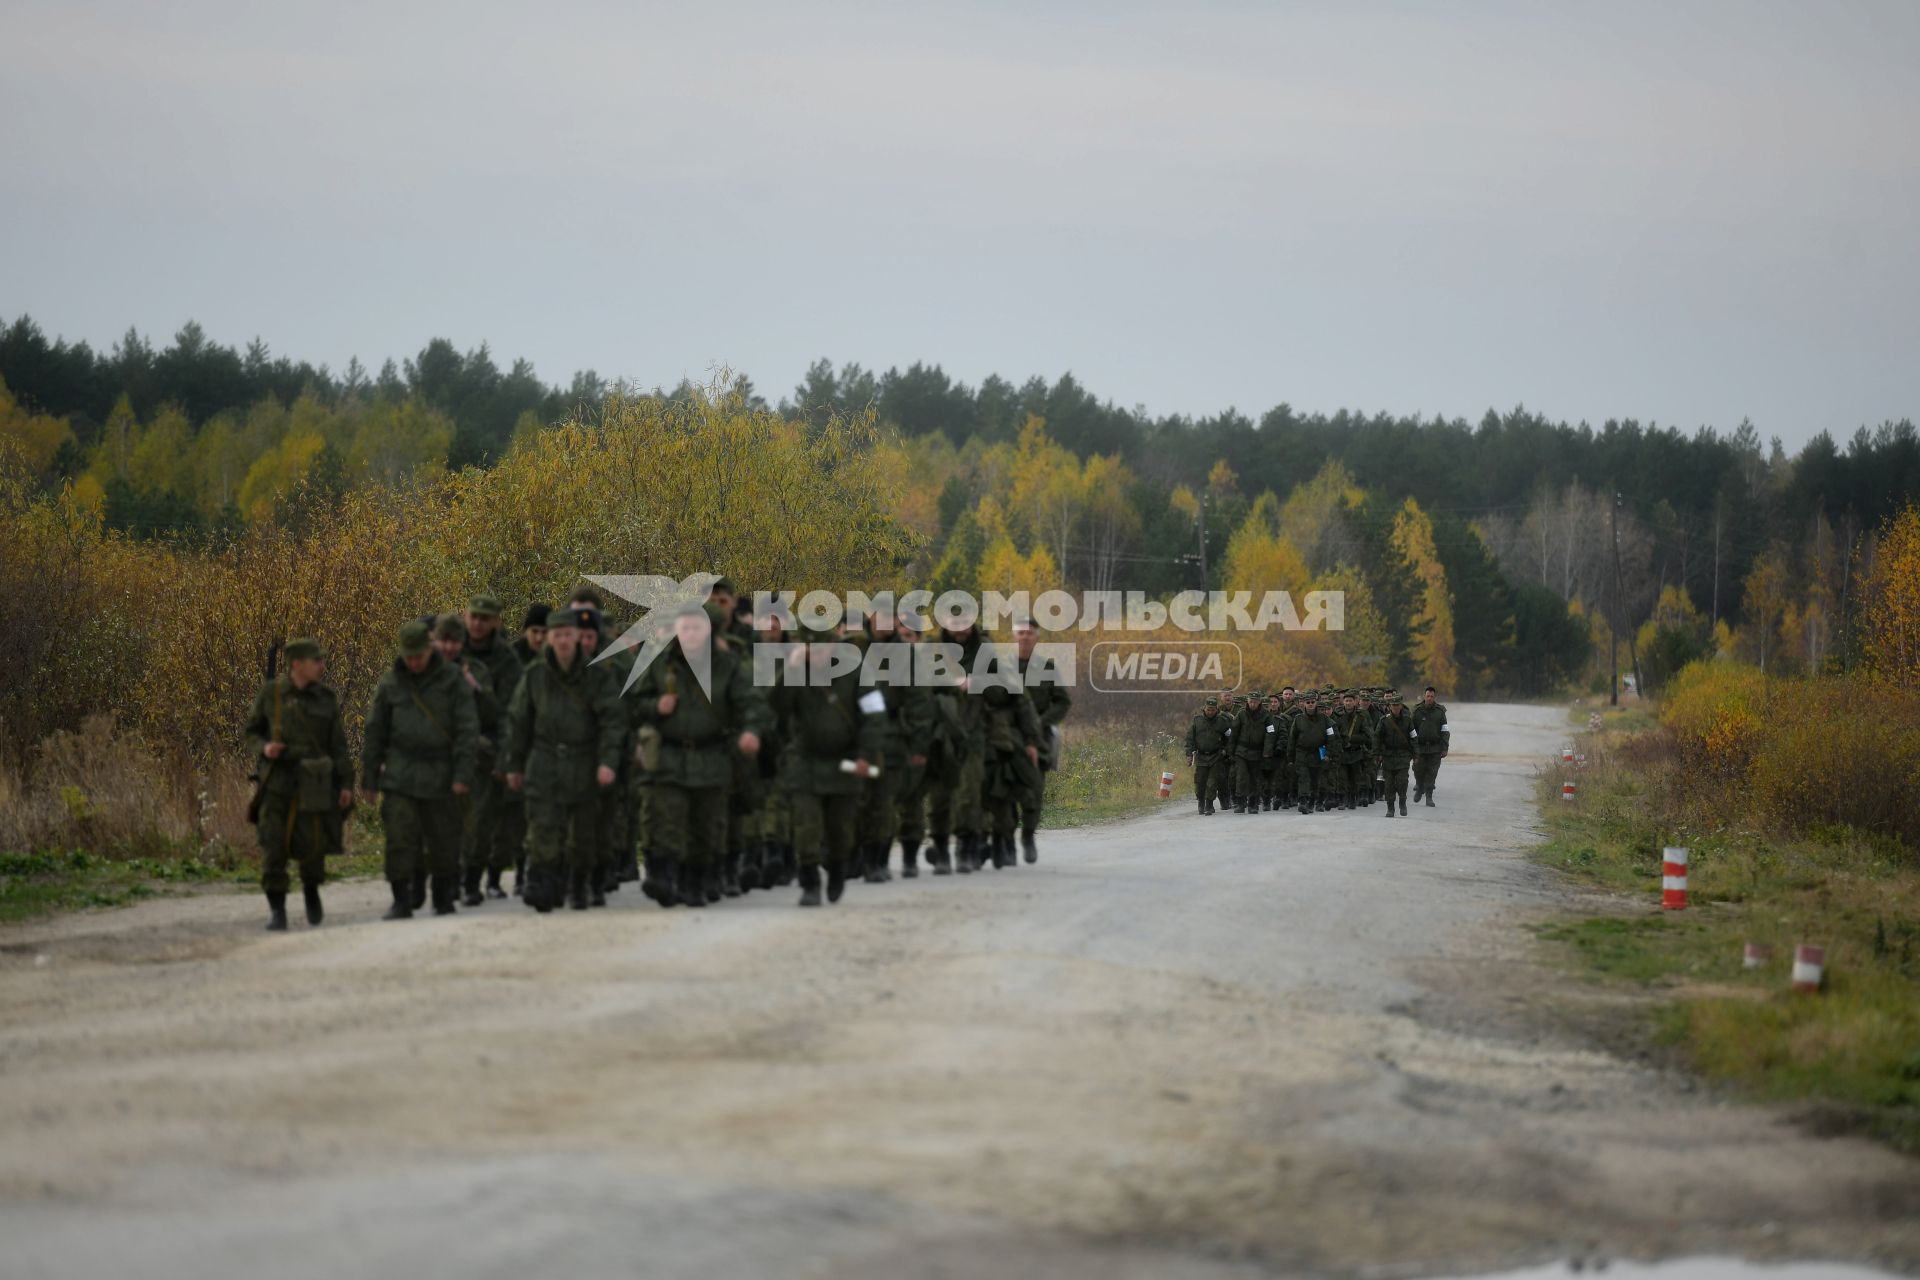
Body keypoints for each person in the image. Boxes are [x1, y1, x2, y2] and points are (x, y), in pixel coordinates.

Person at [627, 602, 767, 908]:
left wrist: (751, 731)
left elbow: (753, 704)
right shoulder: (660, 665)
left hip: (712, 757)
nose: (691, 634)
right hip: (670, 756)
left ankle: (696, 883)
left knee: (706, 826)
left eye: (697, 628)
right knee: (667, 821)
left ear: (710, 630)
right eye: (685, 627)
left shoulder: (728, 666)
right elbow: (634, 704)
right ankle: (664, 879)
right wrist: (655, 707)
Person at [503, 606, 625, 912]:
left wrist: (608, 762)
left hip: (583, 761)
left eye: (568, 635)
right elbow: (519, 721)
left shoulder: (596, 676)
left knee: (582, 833)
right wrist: (514, 764)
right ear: (549, 639)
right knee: (544, 826)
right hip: (544, 759)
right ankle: (543, 885)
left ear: (578, 638)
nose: (563, 641)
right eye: (557, 635)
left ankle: (580, 883)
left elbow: (612, 721)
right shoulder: (535, 676)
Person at [360, 619, 480, 919]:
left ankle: (442, 897)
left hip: (441, 771)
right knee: (400, 837)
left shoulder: (452, 680)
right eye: (409, 656)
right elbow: (375, 731)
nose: (414, 662)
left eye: (419, 655)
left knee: (442, 838)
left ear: (430, 649)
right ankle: (401, 899)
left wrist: (463, 775)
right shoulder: (391, 683)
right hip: (400, 772)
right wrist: (370, 779)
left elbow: (467, 730)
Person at [243, 637, 352, 931]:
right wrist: (265, 748)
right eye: (316, 660)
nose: (322, 665)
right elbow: (251, 731)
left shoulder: (325, 698)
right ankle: (277, 909)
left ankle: (311, 890)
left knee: (312, 847)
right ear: (297, 665)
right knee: (273, 846)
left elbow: (338, 746)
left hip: (313, 785)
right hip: (276, 783)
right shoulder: (272, 694)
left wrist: (345, 784)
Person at [432, 614, 500, 907]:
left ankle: (471, 880)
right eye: (443, 641)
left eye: (454, 642)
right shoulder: (423, 673)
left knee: (475, 825)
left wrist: (474, 686)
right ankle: (448, 880)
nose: (448, 647)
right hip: (436, 758)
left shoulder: (475, 671)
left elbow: (493, 713)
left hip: (473, 758)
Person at [461, 593, 524, 902]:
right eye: (473, 617)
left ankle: (472, 881)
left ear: (496, 622)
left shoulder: (506, 660)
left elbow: (510, 713)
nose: (477, 624)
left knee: (483, 819)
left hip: (488, 747)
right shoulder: (453, 649)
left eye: (484, 619)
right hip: (450, 744)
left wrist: (506, 757)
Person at [1013, 619, 1071, 861]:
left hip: (1038, 737)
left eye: (1030, 633)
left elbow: (1062, 701)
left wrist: (1041, 722)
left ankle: (1028, 836)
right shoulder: (1001, 666)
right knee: (1003, 790)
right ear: (1015, 636)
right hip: (1008, 735)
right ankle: (1005, 837)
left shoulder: (1047, 667)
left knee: (1034, 791)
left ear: (1036, 637)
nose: (1025, 637)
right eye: (1021, 632)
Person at [1183, 696, 1229, 815]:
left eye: (1213, 710)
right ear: (1204, 708)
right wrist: (1189, 754)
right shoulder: (1197, 721)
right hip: (1201, 756)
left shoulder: (1222, 722)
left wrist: (1225, 750)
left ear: (1216, 709)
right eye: (1208, 709)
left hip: (1216, 757)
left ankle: (1209, 805)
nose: (1210, 712)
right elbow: (1190, 739)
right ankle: (1201, 803)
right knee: (1200, 782)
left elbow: (1229, 738)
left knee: (1212, 783)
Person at [1288, 691, 1332, 814]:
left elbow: (1332, 737)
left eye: (1313, 702)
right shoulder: (1298, 719)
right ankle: (1303, 801)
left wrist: (1329, 753)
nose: (1310, 704)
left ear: (1316, 703)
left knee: (1315, 779)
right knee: (1303, 778)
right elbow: (1292, 739)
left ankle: (1312, 802)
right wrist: (1291, 758)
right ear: (1304, 704)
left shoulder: (1324, 719)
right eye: (1308, 702)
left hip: (1318, 753)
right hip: (1302, 753)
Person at [1374, 691, 1414, 817]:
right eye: (1393, 705)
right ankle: (1390, 808)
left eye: (1397, 705)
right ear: (1389, 706)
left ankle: (1402, 802)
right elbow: (1377, 738)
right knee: (1389, 784)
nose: (1395, 707)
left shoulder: (1408, 720)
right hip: (1388, 756)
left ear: (1401, 706)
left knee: (1402, 781)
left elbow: (1414, 738)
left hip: (1403, 755)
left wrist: (1416, 754)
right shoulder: (1384, 721)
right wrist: (1377, 754)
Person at [1410, 685, 1449, 806]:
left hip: (1435, 748)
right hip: (1420, 747)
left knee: (1432, 773)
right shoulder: (1416, 711)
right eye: (1428, 696)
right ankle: (1419, 786)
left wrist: (1445, 747)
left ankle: (1429, 797)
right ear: (1424, 696)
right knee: (1418, 770)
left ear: (1434, 697)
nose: (1430, 698)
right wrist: (1412, 747)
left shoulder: (1440, 712)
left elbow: (1445, 731)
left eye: (1432, 696)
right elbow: (1411, 730)